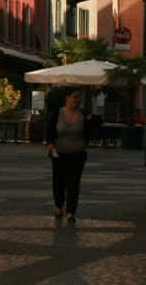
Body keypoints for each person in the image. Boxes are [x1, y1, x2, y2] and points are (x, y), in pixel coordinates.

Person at [45, 87, 94, 222]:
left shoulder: (83, 114)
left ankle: (71, 212)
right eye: (75, 97)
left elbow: (92, 130)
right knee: (59, 181)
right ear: (67, 98)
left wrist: (91, 121)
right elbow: (50, 129)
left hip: (77, 153)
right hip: (59, 153)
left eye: (79, 98)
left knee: (74, 183)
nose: (77, 100)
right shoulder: (57, 113)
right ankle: (58, 206)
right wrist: (50, 143)